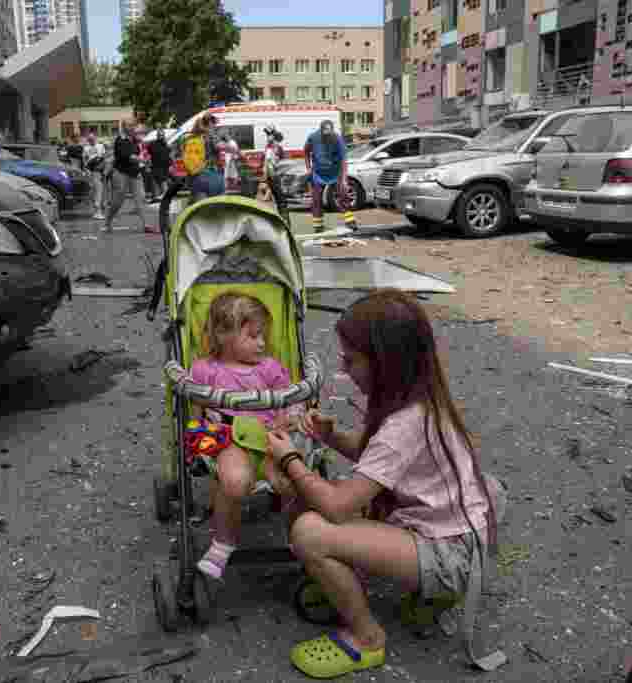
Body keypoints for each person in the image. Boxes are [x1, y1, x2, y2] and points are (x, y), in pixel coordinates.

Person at [264, 289, 500, 679]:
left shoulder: (402, 424)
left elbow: (338, 506)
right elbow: (381, 461)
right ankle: (412, 590)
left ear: (384, 364)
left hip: (450, 554)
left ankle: (366, 637)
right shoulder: (420, 399)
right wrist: (333, 436)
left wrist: (289, 459)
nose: (343, 369)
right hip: (457, 530)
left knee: (310, 530)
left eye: (350, 360)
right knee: (328, 503)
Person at [188, 292, 303, 581]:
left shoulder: (270, 368)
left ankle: (301, 537)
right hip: (229, 443)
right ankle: (223, 543)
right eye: (253, 336)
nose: (262, 343)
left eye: (263, 335)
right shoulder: (205, 370)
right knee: (235, 483)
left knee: (292, 482)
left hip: (269, 439)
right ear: (223, 335)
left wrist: (289, 415)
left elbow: (291, 399)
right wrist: (198, 437)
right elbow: (195, 413)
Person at [304, 120, 358, 233]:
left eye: (329, 134)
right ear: (320, 131)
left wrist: (343, 179)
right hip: (318, 173)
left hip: (335, 172)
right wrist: (308, 168)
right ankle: (318, 226)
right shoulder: (313, 137)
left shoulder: (337, 139)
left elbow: (343, 160)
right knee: (316, 200)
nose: (328, 137)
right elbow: (306, 151)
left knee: (343, 195)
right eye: (325, 134)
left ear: (332, 131)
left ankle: (350, 222)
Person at [105, 123, 151, 233]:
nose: (133, 128)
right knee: (118, 201)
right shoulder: (120, 140)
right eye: (130, 126)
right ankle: (108, 221)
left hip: (134, 173)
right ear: (124, 128)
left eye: (133, 126)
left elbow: (140, 152)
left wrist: (145, 158)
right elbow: (129, 156)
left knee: (141, 197)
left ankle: (146, 225)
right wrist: (142, 160)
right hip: (121, 173)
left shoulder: (135, 140)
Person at [181, 113, 225, 203]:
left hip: (194, 175)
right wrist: (233, 148)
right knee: (214, 205)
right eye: (214, 123)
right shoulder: (210, 136)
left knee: (197, 204)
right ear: (209, 123)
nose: (215, 126)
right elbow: (220, 146)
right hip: (210, 174)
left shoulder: (188, 138)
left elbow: (183, 153)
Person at [260, 124, 288, 218]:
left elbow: (281, 163)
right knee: (274, 202)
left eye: (269, 134)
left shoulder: (277, 147)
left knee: (280, 201)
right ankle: (279, 218)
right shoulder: (268, 146)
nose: (267, 137)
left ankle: (284, 220)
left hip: (276, 177)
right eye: (267, 134)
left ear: (273, 135)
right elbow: (266, 163)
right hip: (270, 178)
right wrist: (264, 178)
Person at [82, 131, 107, 220]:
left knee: (99, 190)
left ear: (95, 138)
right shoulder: (86, 148)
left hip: (100, 170)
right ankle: (97, 211)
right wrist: (86, 170)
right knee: (97, 190)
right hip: (92, 171)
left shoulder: (100, 146)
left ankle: (98, 209)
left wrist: (104, 169)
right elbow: (84, 160)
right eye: (89, 139)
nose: (91, 140)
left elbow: (104, 157)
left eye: (92, 139)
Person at [150, 129, 172, 199]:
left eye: (162, 135)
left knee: (163, 182)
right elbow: (152, 153)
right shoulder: (153, 144)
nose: (161, 136)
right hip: (157, 167)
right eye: (160, 135)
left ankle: (162, 197)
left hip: (165, 167)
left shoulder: (166, 144)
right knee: (162, 182)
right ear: (157, 136)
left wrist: (170, 163)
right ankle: (161, 197)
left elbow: (169, 153)